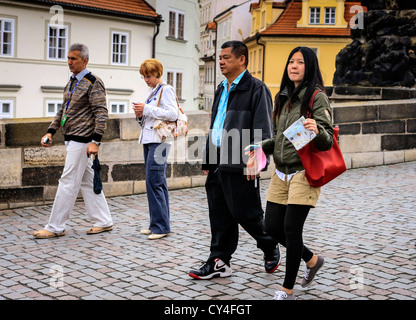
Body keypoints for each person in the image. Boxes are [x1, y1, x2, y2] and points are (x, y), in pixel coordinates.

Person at [188, 41, 280, 280]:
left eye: (226, 58)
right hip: (218, 156)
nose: (221, 62)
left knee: (245, 212)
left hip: (241, 158)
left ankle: (269, 244)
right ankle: (219, 261)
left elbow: (264, 129)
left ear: (242, 60)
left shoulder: (256, 89)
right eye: (220, 58)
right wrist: (208, 159)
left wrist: (257, 160)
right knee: (219, 213)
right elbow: (215, 126)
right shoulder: (221, 88)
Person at [247, 46, 334, 300]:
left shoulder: (316, 97)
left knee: (291, 229)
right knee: (272, 228)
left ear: (309, 67)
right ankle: (313, 260)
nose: (293, 66)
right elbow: (279, 139)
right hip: (281, 171)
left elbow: (328, 142)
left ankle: (287, 289)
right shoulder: (282, 97)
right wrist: (259, 147)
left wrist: (317, 129)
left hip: (304, 173)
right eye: (291, 62)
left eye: (300, 62)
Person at [33, 43, 113, 239]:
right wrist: (51, 131)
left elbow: (101, 114)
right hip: (72, 139)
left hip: (83, 141)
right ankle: (104, 221)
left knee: (67, 182)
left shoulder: (93, 82)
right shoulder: (71, 82)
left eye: (73, 59)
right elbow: (63, 110)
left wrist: (96, 141)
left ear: (84, 60)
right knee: (87, 182)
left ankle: (55, 227)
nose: (69, 62)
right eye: (68, 58)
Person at [133, 59, 178, 240]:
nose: (146, 80)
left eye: (149, 76)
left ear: (157, 74)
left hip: (160, 142)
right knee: (155, 182)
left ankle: (161, 227)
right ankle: (157, 224)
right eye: (144, 76)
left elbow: (172, 113)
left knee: (155, 181)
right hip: (151, 140)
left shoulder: (166, 89)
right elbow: (150, 117)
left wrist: (147, 109)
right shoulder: (154, 91)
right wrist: (140, 113)